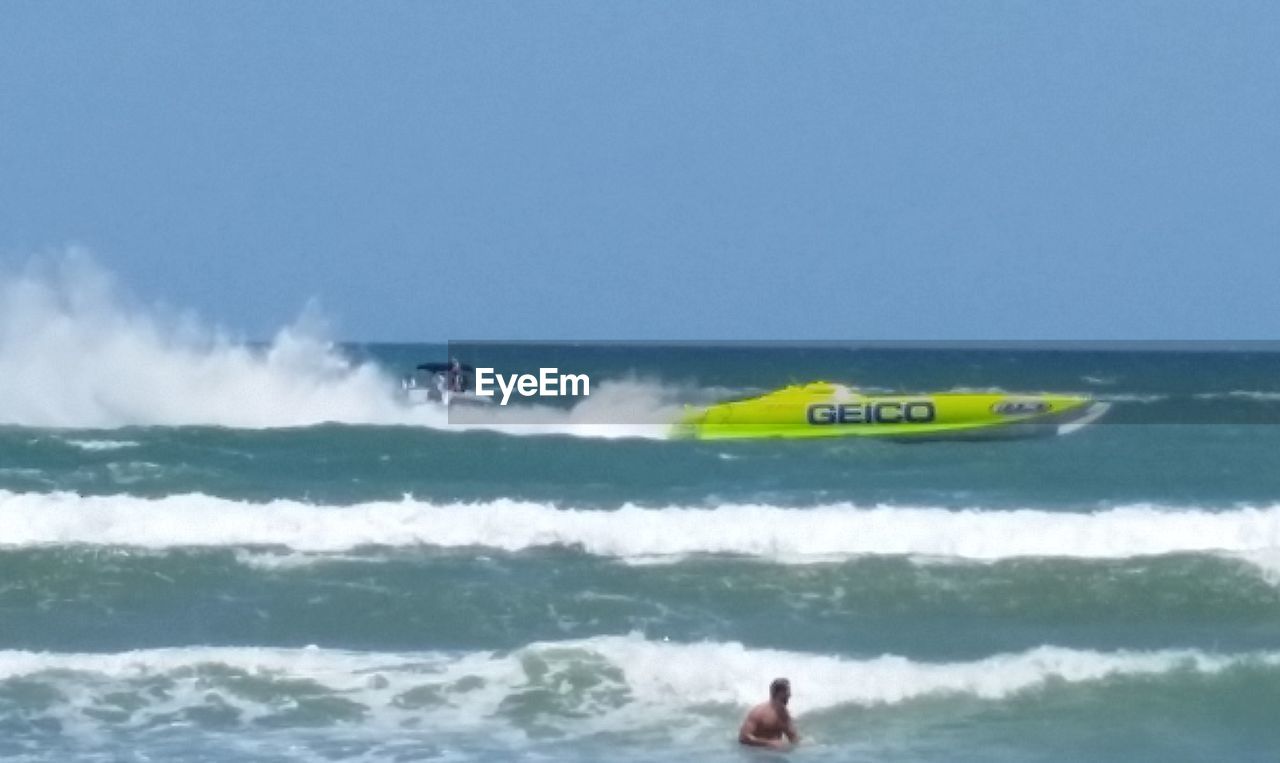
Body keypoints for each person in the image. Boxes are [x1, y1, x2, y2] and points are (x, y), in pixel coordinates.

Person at [738, 678, 799, 750]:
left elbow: (794, 739)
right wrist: (768, 743)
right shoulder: (758, 712)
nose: (789, 695)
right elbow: (743, 737)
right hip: (756, 754)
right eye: (787, 692)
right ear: (778, 693)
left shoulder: (784, 714)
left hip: (776, 755)